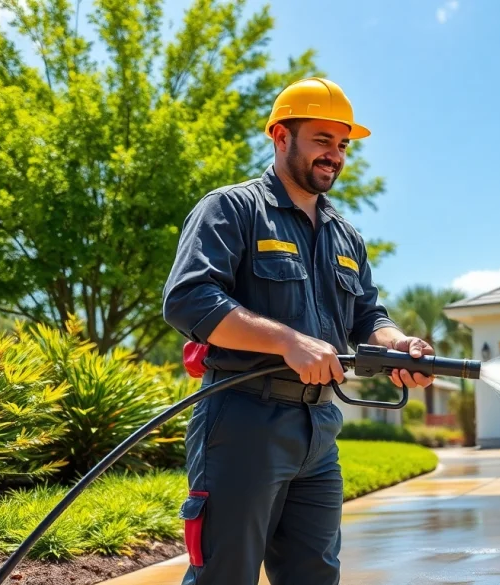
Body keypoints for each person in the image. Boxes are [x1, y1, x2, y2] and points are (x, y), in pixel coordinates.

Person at [162, 77, 433, 585]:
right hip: (242, 421)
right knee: (225, 575)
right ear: (281, 137)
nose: (335, 155)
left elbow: (366, 316)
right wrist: (288, 341)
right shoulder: (232, 209)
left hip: (319, 432)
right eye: (322, 140)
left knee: (315, 575)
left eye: (343, 144)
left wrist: (396, 344)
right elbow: (189, 299)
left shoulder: (345, 234)